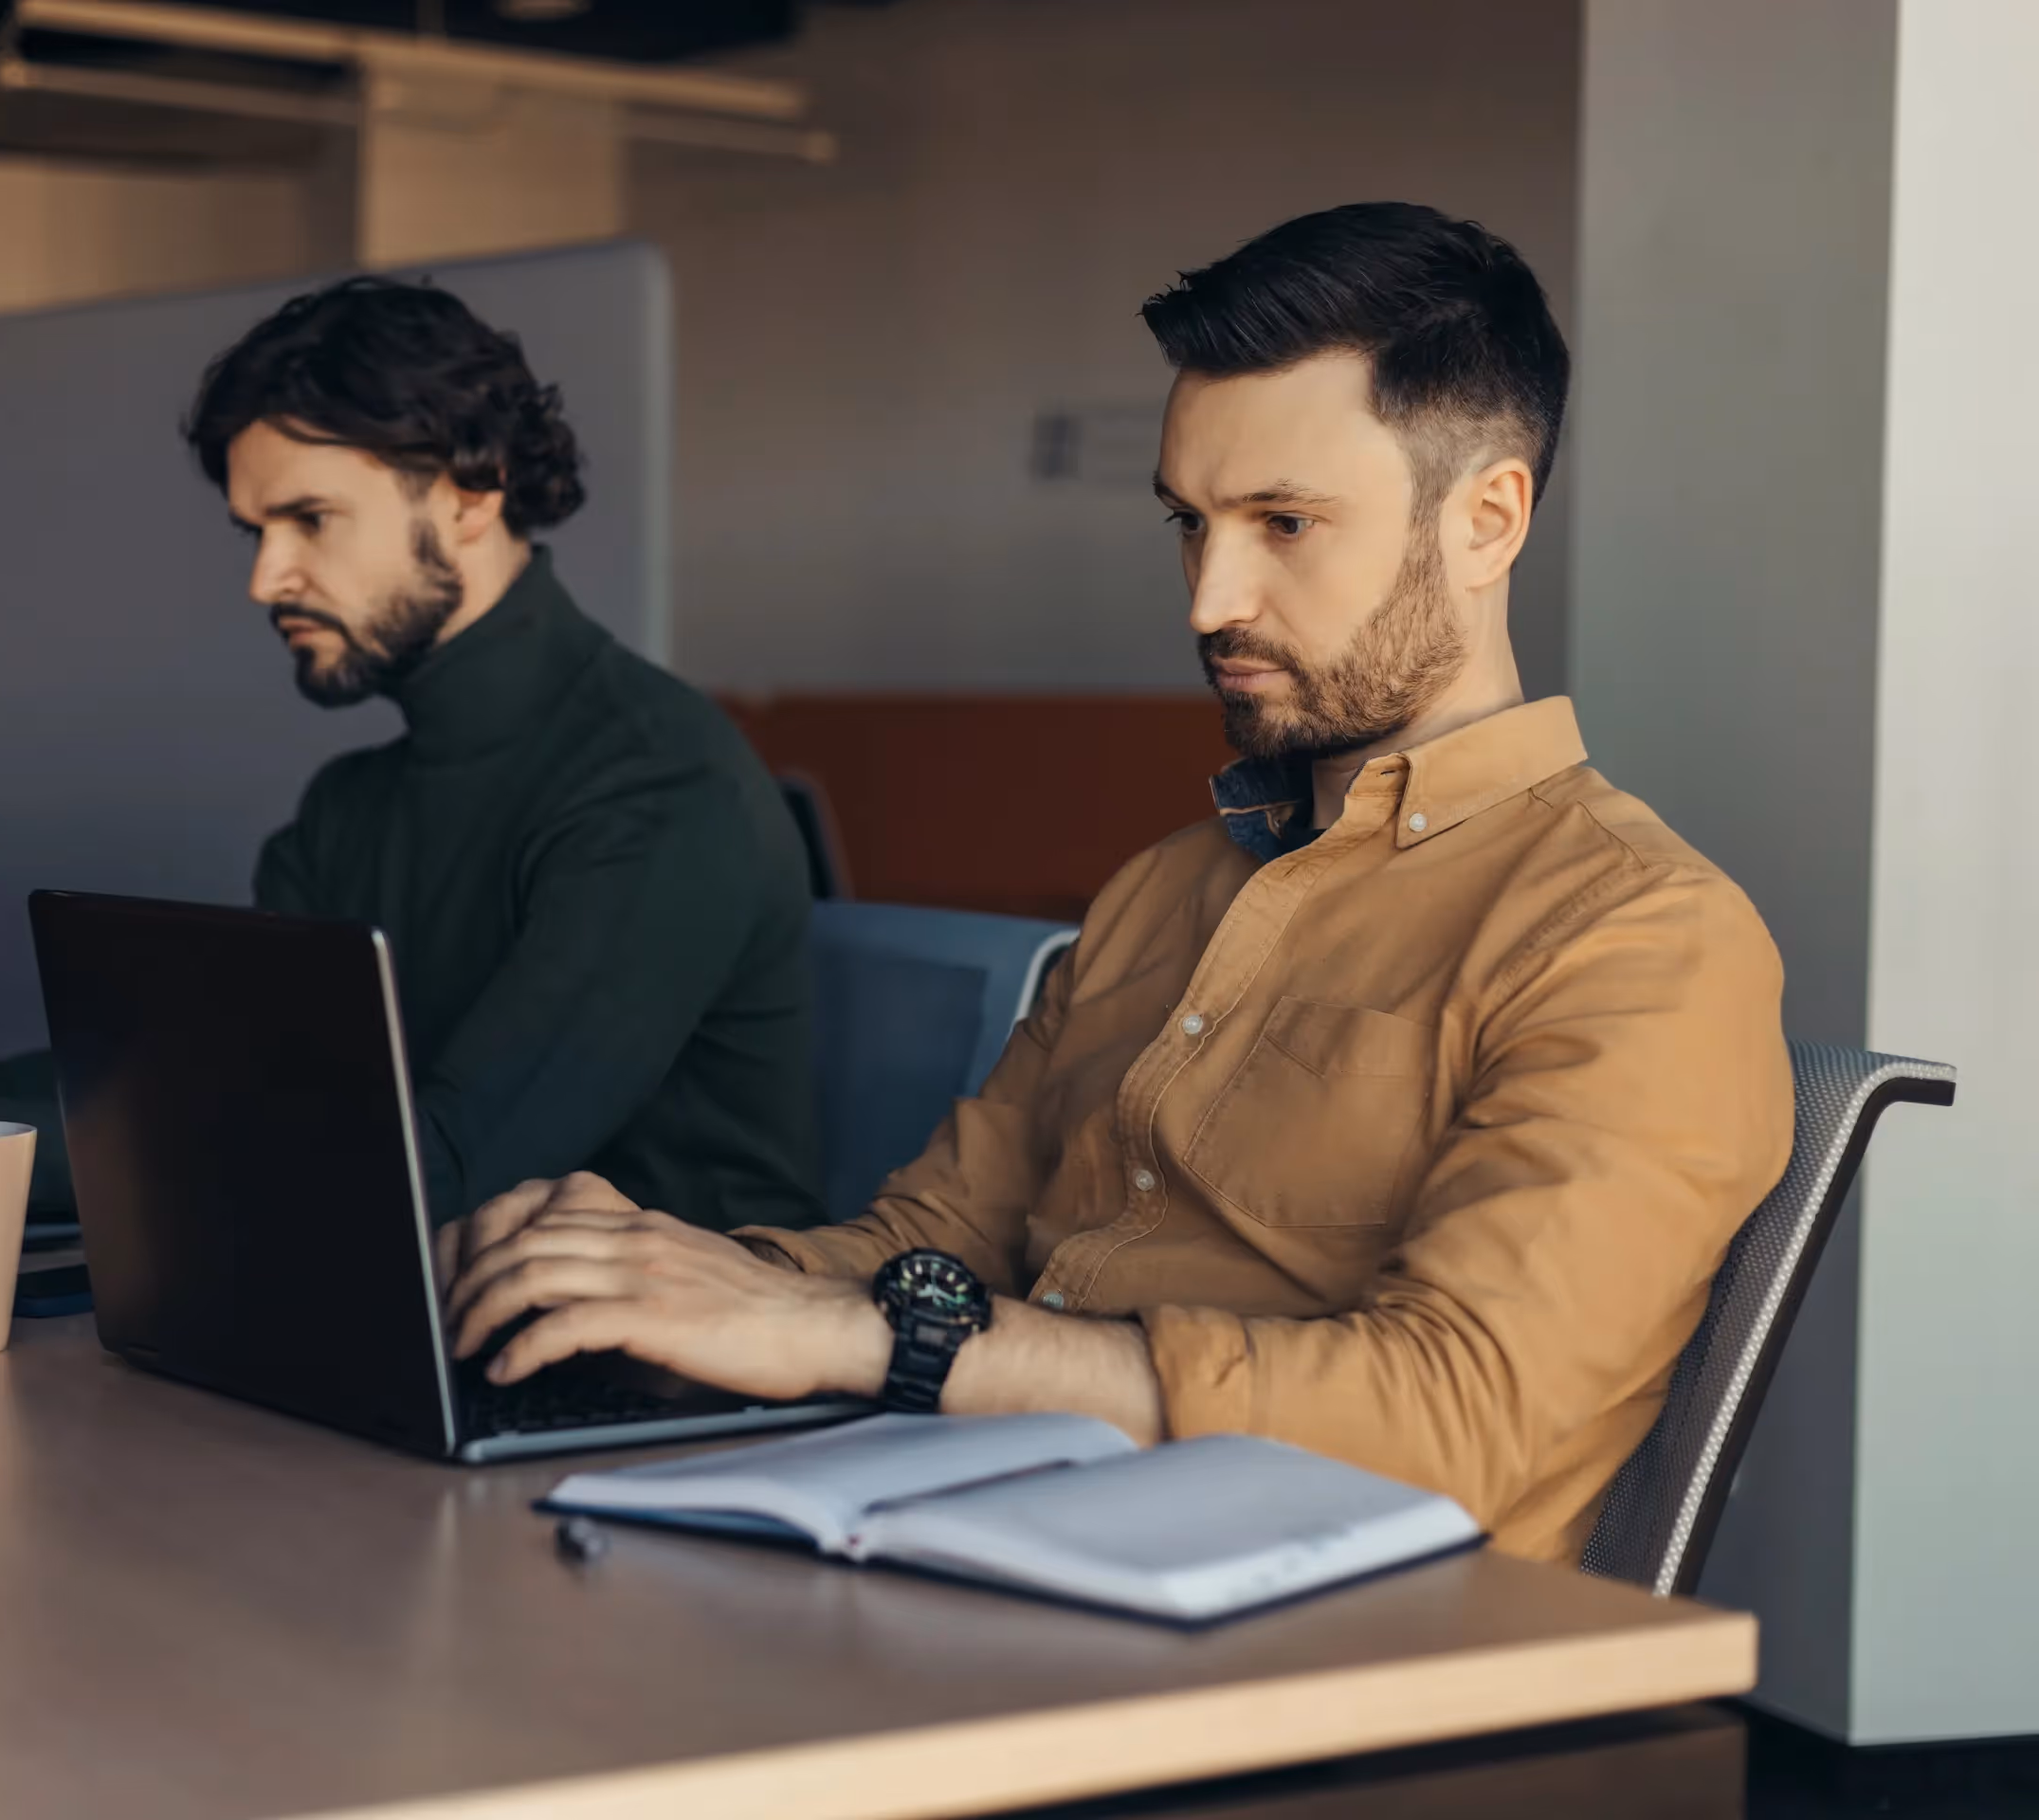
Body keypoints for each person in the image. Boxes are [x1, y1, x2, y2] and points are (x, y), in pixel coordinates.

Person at [439, 203, 1794, 1566]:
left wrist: (880, 1339)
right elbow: (940, 1239)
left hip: (1325, 1634)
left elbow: (1456, 1419)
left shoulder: (1638, 936)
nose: (1210, 600)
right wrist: (659, 1280)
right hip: (991, 1541)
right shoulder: (1164, 888)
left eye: (1283, 522)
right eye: (1190, 523)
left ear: (1487, 521)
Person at [0, 278, 823, 1237]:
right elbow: (219, 1087)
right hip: (401, 1320)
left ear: (471, 494)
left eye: (309, 520)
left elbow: (435, 1166)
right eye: (255, 531)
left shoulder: (658, 790)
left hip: (662, 1390)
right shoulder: (349, 808)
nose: (266, 579)